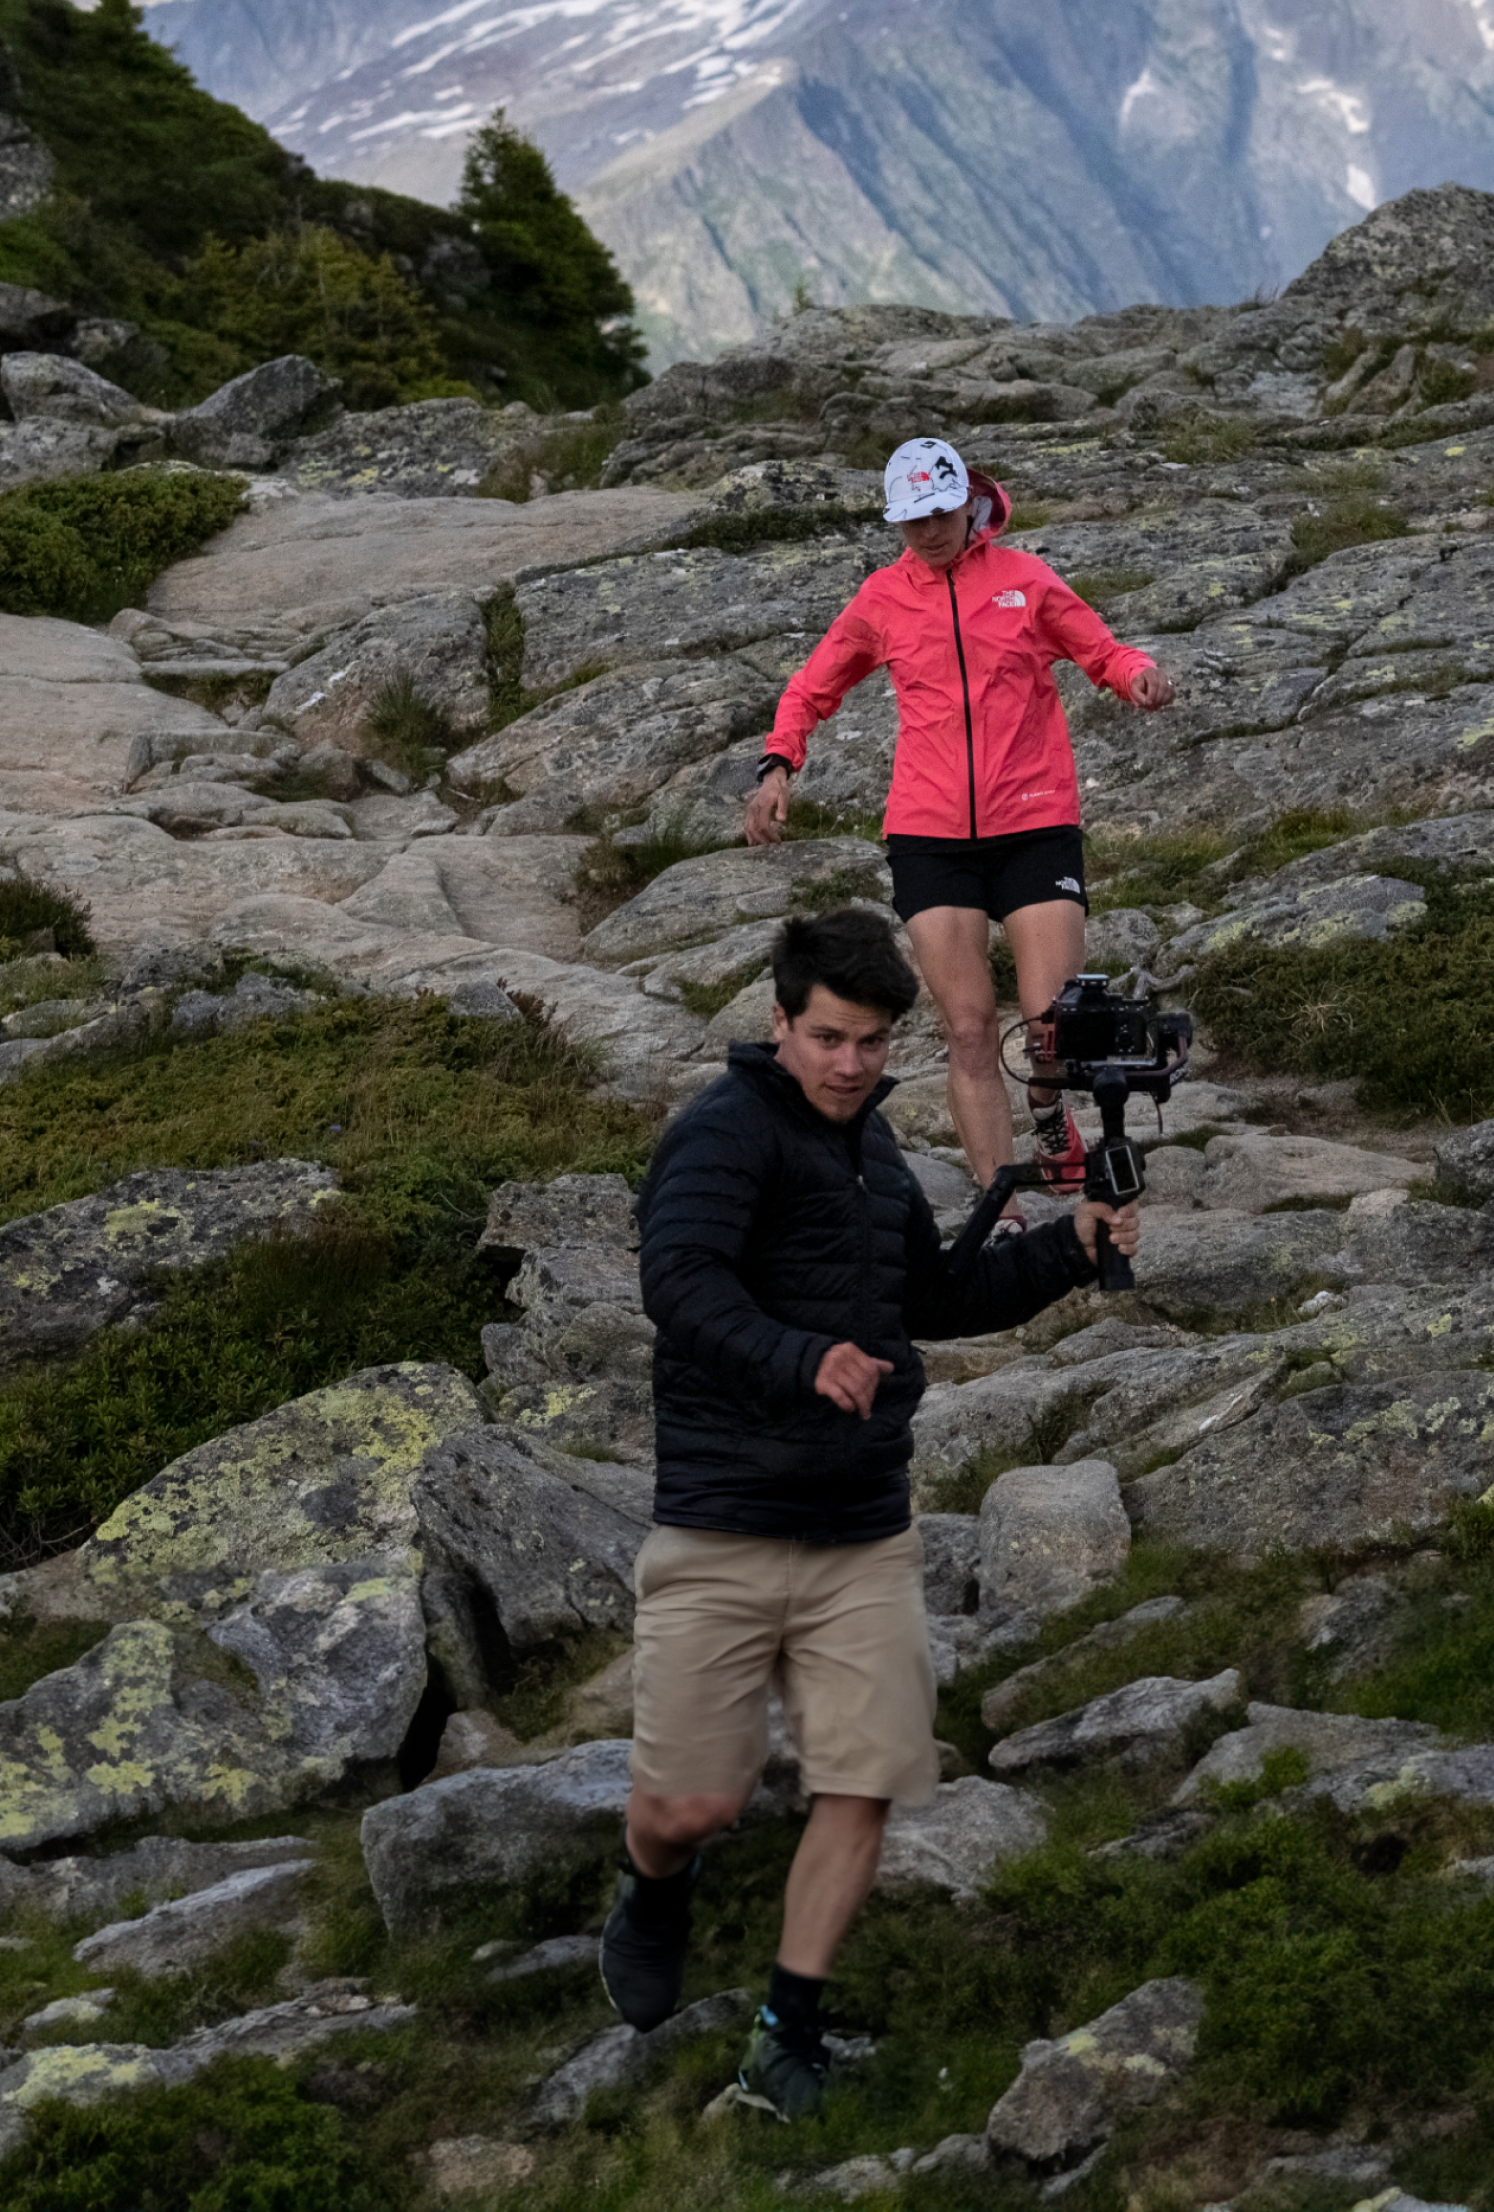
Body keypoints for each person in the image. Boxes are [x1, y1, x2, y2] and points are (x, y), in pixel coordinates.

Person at [598, 906, 1138, 2117]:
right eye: (829, 1038)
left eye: (873, 1042)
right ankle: (655, 1882)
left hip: (861, 1524)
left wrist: (1068, 1246)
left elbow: (931, 1299)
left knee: (861, 1781)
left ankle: (784, 2033)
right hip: (726, 1517)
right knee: (692, 1805)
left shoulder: (876, 1151)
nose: (851, 1064)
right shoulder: (722, 1134)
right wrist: (803, 1359)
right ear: (780, 1023)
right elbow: (678, 1283)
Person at [745, 436, 1174, 1193]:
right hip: (929, 834)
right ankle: (999, 1204)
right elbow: (811, 687)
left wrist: (1137, 674)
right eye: (912, 521)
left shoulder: (1025, 580)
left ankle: (1047, 1108)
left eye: (940, 515)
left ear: (970, 505)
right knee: (970, 1028)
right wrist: (779, 764)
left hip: (1035, 820)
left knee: (1053, 1028)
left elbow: (1102, 650)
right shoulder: (881, 599)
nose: (929, 532)